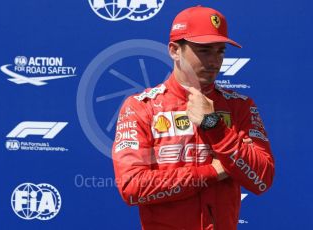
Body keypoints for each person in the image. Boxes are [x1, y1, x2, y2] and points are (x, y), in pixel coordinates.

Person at [112, 5, 274, 230]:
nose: (214, 61)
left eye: (220, 51)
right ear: (174, 50)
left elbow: (262, 179)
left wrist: (213, 125)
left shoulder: (240, 106)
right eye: (204, 50)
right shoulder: (141, 107)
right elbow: (131, 188)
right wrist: (211, 172)